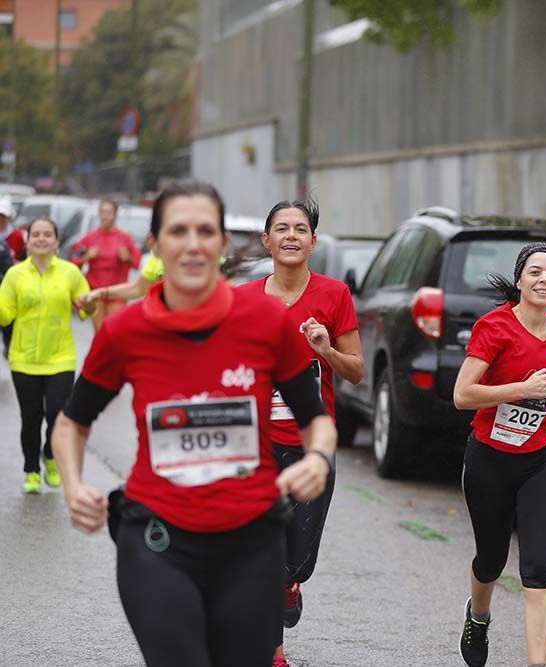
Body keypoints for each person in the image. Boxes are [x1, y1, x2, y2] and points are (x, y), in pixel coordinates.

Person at [52, 180, 337, 667]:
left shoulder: (264, 321)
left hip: (250, 542)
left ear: (222, 243)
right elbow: (71, 424)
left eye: (205, 231)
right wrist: (74, 485)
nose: (192, 243)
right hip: (157, 538)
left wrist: (318, 458)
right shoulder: (126, 331)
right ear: (155, 243)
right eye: (177, 231)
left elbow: (318, 421)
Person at [453, 243, 546, 667]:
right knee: (491, 559)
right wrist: (521, 389)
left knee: (538, 567)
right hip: (490, 458)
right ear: (519, 280)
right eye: (535, 271)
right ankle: (478, 615)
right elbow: (463, 395)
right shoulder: (493, 328)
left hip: (543, 459)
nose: (544, 279)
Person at [236, 197, 363, 667]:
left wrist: (326, 351)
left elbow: (356, 372)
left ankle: (291, 583)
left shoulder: (334, 295)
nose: (291, 235)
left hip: (312, 447)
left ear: (312, 241)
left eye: (300, 229)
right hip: (258, 447)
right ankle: (273, 652)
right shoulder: (244, 301)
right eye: (282, 228)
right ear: (266, 240)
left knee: (297, 560)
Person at [0, 217, 94, 493]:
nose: (41, 239)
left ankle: (50, 456)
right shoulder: (15, 275)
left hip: (59, 358)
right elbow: (5, 316)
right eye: (36, 235)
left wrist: (89, 305)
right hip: (24, 359)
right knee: (31, 419)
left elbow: (86, 310)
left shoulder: (70, 273)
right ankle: (31, 470)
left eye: (47, 234)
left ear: (56, 241)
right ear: (27, 242)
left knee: (57, 415)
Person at [70, 198, 140, 330]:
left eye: (108, 213)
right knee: (100, 330)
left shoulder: (125, 238)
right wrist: (86, 256)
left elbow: (137, 264)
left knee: (114, 329)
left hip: (117, 292)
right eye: (102, 212)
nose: (104, 216)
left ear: (115, 215)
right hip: (96, 291)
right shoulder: (89, 238)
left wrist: (128, 258)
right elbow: (73, 260)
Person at [0, 197, 25, 357]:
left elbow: (24, 257)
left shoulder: (17, 235)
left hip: (11, 282)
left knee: (9, 319)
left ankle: (8, 344)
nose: (1, 219)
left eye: (4, 216)